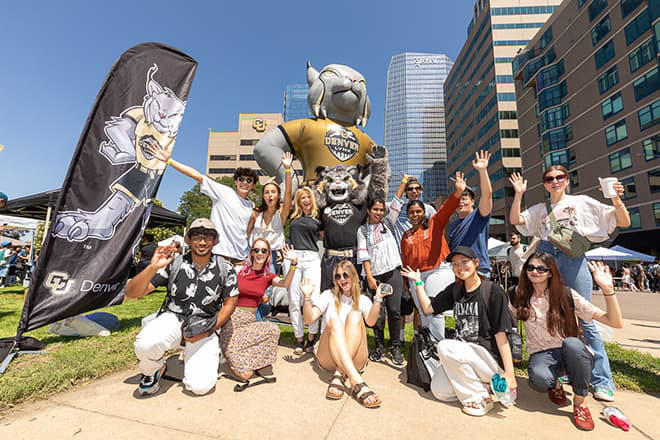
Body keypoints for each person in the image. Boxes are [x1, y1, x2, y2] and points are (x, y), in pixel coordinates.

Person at [509, 165, 630, 402]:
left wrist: (615, 198)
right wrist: (519, 194)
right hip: (545, 258)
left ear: (567, 180)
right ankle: (563, 368)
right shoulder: (540, 209)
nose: (555, 181)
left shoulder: (582, 202)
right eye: (549, 178)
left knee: (585, 318)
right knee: (551, 313)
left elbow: (622, 221)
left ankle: (602, 380)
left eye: (559, 177)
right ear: (544, 183)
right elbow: (516, 220)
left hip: (573, 258)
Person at [511, 253, 623, 431]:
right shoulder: (518, 295)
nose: (535, 271)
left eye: (541, 268)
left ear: (550, 272)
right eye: (530, 267)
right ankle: (555, 383)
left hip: (571, 353)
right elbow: (503, 317)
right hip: (541, 354)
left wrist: (608, 289)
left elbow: (615, 322)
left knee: (572, 344)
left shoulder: (566, 294)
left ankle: (580, 403)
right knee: (539, 380)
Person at [126, 218, 238, 396]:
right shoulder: (175, 263)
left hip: (205, 323)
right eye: (197, 237)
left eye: (208, 237)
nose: (202, 242)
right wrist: (152, 267)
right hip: (174, 317)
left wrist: (209, 331)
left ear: (215, 240)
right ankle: (153, 370)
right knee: (145, 344)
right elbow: (132, 293)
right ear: (189, 240)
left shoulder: (226, 268)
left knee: (200, 388)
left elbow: (230, 303)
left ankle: (198, 355)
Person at [401, 246, 516, 417]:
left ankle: (480, 397)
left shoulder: (493, 291)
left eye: (464, 261)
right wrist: (418, 282)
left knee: (445, 346)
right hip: (464, 357)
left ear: (476, 263)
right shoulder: (455, 290)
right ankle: (482, 386)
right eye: (455, 264)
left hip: (489, 359)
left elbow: (501, 335)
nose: (460, 267)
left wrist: (510, 373)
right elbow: (427, 308)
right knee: (439, 390)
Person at [146, 143, 257, 264]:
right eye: (241, 179)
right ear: (236, 181)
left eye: (249, 180)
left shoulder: (251, 206)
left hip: (240, 259)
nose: (244, 182)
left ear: (253, 185)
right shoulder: (224, 192)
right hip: (218, 256)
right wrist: (170, 161)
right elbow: (196, 175)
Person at [301, 261, 390, 408]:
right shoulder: (328, 295)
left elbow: (371, 322)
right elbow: (309, 319)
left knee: (355, 316)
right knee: (335, 323)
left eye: (345, 275)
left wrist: (378, 299)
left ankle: (339, 374)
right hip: (328, 356)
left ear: (353, 276)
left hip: (356, 356)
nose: (341, 279)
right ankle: (356, 381)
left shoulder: (363, 300)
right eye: (337, 276)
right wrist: (307, 297)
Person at [398, 172, 466, 340]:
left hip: (438, 272)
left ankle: (440, 344)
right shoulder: (406, 236)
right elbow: (406, 260)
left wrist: (458, 192)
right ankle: (429, 345)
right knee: (422, 312)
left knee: (436, 311)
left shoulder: (435, 224)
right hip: (417, 277)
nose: (415, 215)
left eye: (418, 211)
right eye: (412, 212)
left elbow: (447, 209)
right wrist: (407, 282)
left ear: (424, 212)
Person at [220, 238, 298, 380]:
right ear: (251, 253)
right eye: (256, 250)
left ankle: (239, 355)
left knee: (273, 330)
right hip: (232, 320)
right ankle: (232, 352)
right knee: (246, 374)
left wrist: (293, 264)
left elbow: (286, 284)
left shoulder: (268, 276)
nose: (260, 253)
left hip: (250, 321)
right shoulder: (239, 271)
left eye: (264, 250)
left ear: (268, 254)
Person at [357, 198, 404, 364]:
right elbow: (364, 255)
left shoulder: (388, 224)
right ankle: (379, 347)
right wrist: (369, 277)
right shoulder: (363, 231)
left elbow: (396, 205)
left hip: (393, 272)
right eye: (375, 209)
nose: (378, 213)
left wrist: (404, 182)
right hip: (375, 276)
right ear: (369, 210)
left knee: (394, 311)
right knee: (377, 314)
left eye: (381, 210)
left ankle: (395, 347)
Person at [286, 186, 322, 354]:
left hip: (312, 258)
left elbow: (324, 236)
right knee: (294, 299)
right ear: (298, 201)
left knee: (313, 298)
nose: (306, 200)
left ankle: (311, 336)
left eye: (308, 197)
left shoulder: (318, 217)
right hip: (293, 257)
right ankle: (299, 338)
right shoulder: (292, 216)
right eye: (302, 198)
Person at [447, 151, 493, 277]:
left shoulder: (479, 215)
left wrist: (483, 171)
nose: (460, 202)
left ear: (472, 201)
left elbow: (487, 196)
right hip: (457, 271)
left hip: (479, 269)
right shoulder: (453, 225)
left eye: (464, 199)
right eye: (458, 199)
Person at [247, 152, 294, 274]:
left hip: (274, 255)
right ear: (263, 196)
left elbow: (288, 193)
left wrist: (287, 169)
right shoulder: (256, 213)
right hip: (255, 254)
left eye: (273, 192)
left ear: (278, 196)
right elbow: (246, 234)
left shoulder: (281, 212)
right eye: (267, 192)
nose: (270, 195)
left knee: (271, 289)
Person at [388, 175, 436, 249]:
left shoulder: (429, 209)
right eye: (410, 189)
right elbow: (396, 199)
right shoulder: (399, 208)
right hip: (402, 254)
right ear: (405, 192)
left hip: (422, 251)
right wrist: (404, 180)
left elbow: (436, 229)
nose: (414, 191)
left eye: (417, 188)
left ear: (421, 190)